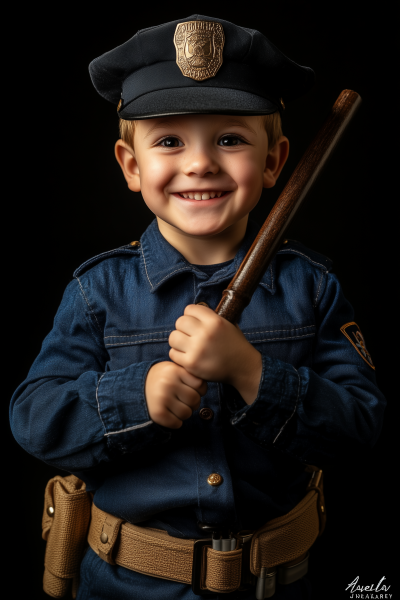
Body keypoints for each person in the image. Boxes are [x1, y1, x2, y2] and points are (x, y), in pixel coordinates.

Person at [9, 14, 385, 600]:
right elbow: (34, 417)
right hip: (128, 587)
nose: (201, 163)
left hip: (282, 582)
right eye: (168, 141)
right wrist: (140, 397)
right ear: (132, 166)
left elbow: (361, 424)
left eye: (230, 139)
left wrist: (254, 375)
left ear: (274, 161)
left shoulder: (312, 288)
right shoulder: (97, 290)